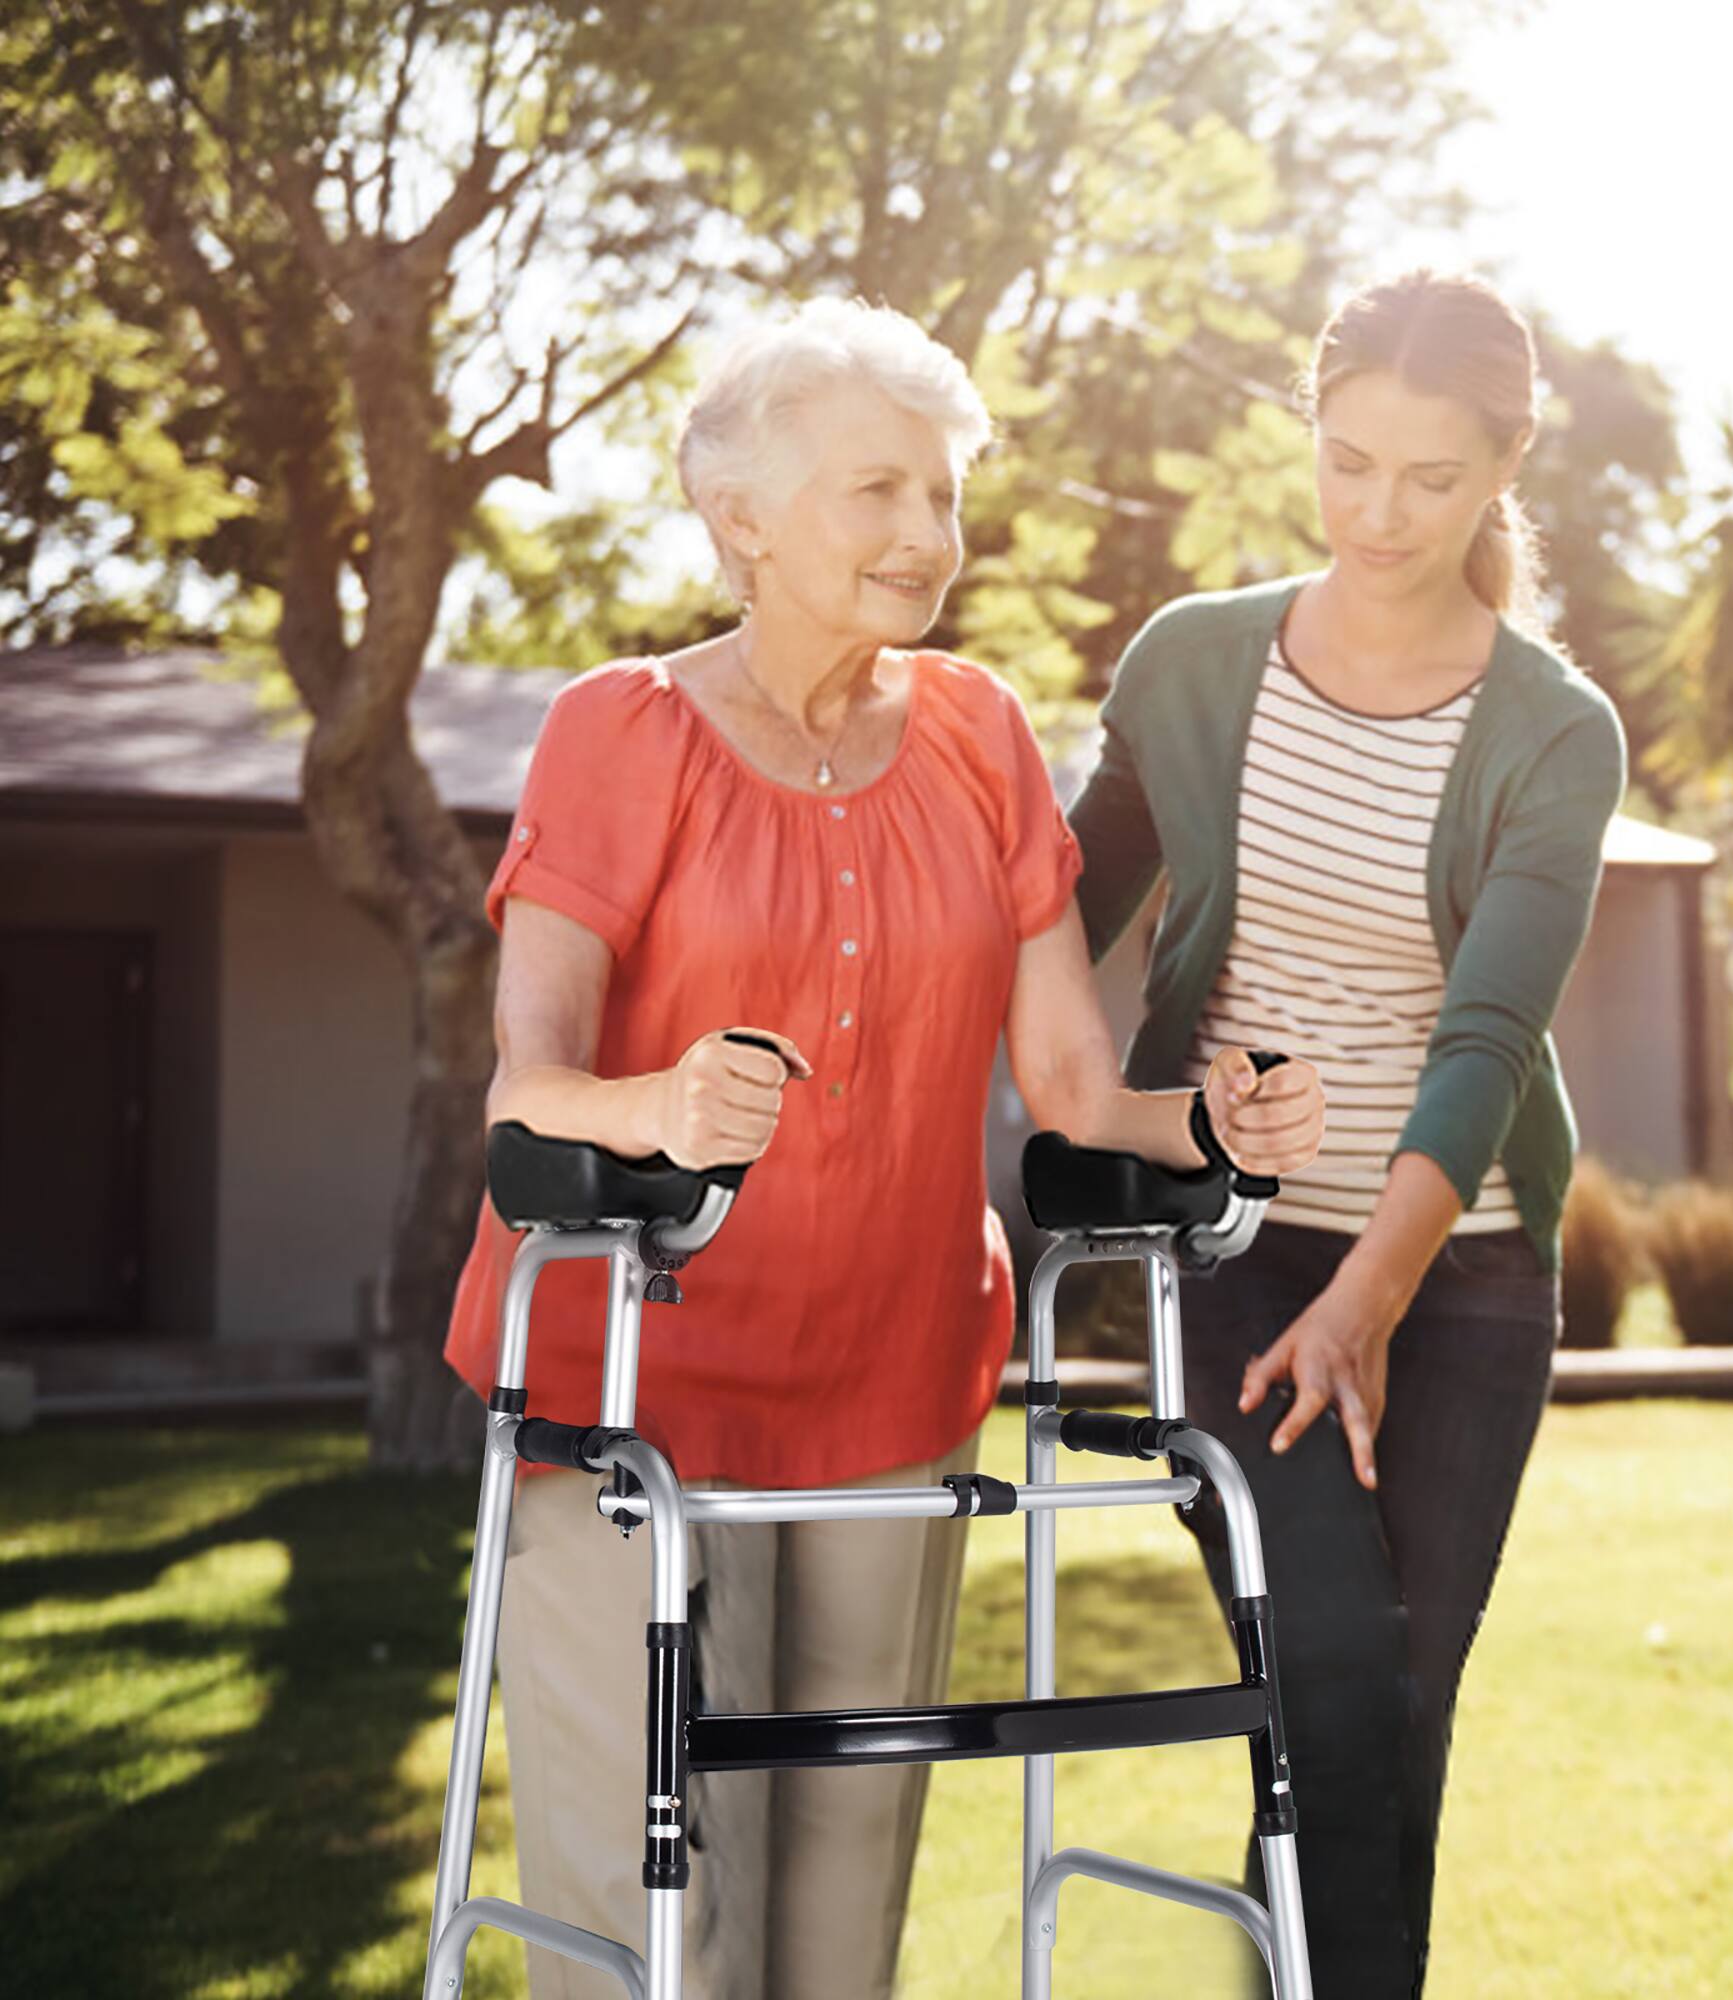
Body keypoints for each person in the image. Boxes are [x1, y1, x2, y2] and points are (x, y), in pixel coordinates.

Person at [441, 297, 1327, 2000]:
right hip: (627, 1401)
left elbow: (1072, 1083)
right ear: (745, 520)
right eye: (879, 494)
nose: (929, 536)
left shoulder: (985, 734)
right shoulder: (618, 732)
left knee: (845, 1931)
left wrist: (1207, 1117)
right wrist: (657, 1108)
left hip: (894, 1390)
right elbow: (522, 1084)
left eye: (943, 496)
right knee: (670, 1933)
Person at [1070, 269, 1627, 1995]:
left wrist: (1373, 1296)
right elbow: (1045, 917)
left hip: (1456, 1278)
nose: (1381, 514)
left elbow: (1486, 1040)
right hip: (1229, 1249)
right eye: (1348, 462)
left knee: (1388, 1704)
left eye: (1432, 479)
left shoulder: (1552, 730)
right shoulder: (1194, 662)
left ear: (1506, 470)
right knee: (1319, 1659)